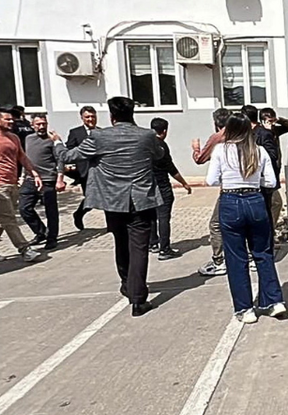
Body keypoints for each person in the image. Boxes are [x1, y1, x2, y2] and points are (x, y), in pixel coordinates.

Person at [62, 97, 165, 317]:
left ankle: (127, 285)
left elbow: (70, 155)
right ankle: (138, 299)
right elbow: (159, 154)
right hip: (141, 200)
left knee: (121, 242)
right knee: (139, 248)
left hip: (113, 201)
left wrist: (55, 143)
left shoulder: (99, 136)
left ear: (111, 116)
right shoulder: (147, 135)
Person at [205, 113, 285, 324]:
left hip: (231, 201)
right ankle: (274, 301)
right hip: (255, 200)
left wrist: (228, 178)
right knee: (263, 253)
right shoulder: (259, 150)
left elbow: (211, 180)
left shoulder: (220, 150)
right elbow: (270, 182)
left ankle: (245, 308)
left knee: (236, 258)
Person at [0, 108, 46, 263]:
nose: (11, 121)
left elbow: (22, 157)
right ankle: (24, 249)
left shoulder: (13, 137)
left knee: (1, 217)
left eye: (12, 119)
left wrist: (34, 173)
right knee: (8, 218)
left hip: (11, 182)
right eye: (7, 119)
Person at [19, 115, 68, 251]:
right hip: (31, 180)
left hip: (48, 180)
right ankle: (41, 232)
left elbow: (60, 160)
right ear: (32, 125)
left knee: (50, 211)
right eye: (38, 124)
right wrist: (22, 176)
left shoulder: (52, 140)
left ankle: (52, 238)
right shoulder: (28, 139)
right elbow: (25, 158)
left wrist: (60, 179)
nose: (41, 127)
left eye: (44, 124)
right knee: (24, 209)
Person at [193, 107, 232, 276]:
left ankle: (219, 260)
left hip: (229, 188)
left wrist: (196, 148)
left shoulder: (218, 139)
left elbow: (200, 159)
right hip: (251, 188)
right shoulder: (244, 136)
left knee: (216, 224)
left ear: (216, 123)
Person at [149, 118, 191, 260]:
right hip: (162, 186)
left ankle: (153, 243)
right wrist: (184, 183)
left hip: (149, 186)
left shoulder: (145, 144)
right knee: (163, 218)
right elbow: (170, 168)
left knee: (151, 216)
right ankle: (164, 249)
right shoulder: (162, 146)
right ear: (165, 131)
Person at [242, 105, 282, 232]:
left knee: (270, 207)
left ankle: (269, 235)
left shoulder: (264, 133)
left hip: (264, 178)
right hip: (253, 179)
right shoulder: (247, 134)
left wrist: (256, 157)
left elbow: (273, 154)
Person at [65, 106, 99, 230]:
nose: (90, 119)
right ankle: (79, 214)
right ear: (82, 118)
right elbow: (69, 150)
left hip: (101, 171)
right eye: (87, 117)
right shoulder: (76, 132)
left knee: (105, 197)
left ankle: (112, 225)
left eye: (93, 116)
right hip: (85, 172)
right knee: (90, 199)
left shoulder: (102, 132)